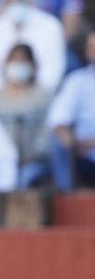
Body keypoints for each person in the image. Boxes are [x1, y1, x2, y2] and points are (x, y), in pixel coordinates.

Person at [0, 42, 53, 187]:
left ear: (33, 65)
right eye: (13, 59)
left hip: (34, 161)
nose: (17, 64)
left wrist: (32, 155)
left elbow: (48, 133)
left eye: (23, 60)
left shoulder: (44, 98)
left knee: (25, 179)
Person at [45, 30, 95, 191]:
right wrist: (73, 142)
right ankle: (67, 197)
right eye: (91, 47)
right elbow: (58, 122)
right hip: (83, 151)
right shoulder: (76, 81)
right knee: (58, 144)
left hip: (90, 143)